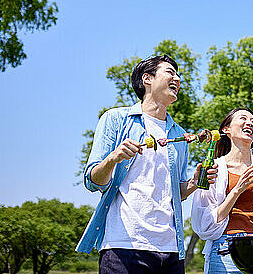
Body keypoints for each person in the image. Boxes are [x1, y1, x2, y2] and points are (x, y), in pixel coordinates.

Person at [76, 55, 217, 274]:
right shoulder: (115, 119)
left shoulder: (179, 135)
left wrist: (195, 182)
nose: (177, 79)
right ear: (147, 79)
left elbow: (176, 193)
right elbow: (93, 180)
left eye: (178, 75)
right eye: (170, 72)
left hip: (171, 249)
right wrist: (113, 158)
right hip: (124, 245)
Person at [191, 108, 253, 274]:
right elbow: (204, 225)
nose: (250, 123)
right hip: (225, 250)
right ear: (226, 129)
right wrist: (237, 189)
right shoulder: (214, 168)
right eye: (243, 118)